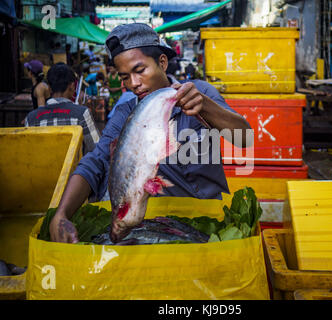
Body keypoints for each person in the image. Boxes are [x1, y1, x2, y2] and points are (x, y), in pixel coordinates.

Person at [49, 23, 251, 243]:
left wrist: (205, 107)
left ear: (162, 63)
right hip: (156, 228)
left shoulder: (200, 92)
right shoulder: (126, 114)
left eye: (140, 70)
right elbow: (95, 162)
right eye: (125, 77)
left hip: (205, 223)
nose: (134, 84)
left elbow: (243, 139)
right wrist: (62, 214)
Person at [25, 63, 100, 155]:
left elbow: (29, 152)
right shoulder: (82, 113)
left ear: (49, 88)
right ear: (72, 86)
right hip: (74, 169)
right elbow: (96, 149)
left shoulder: (31, 118)